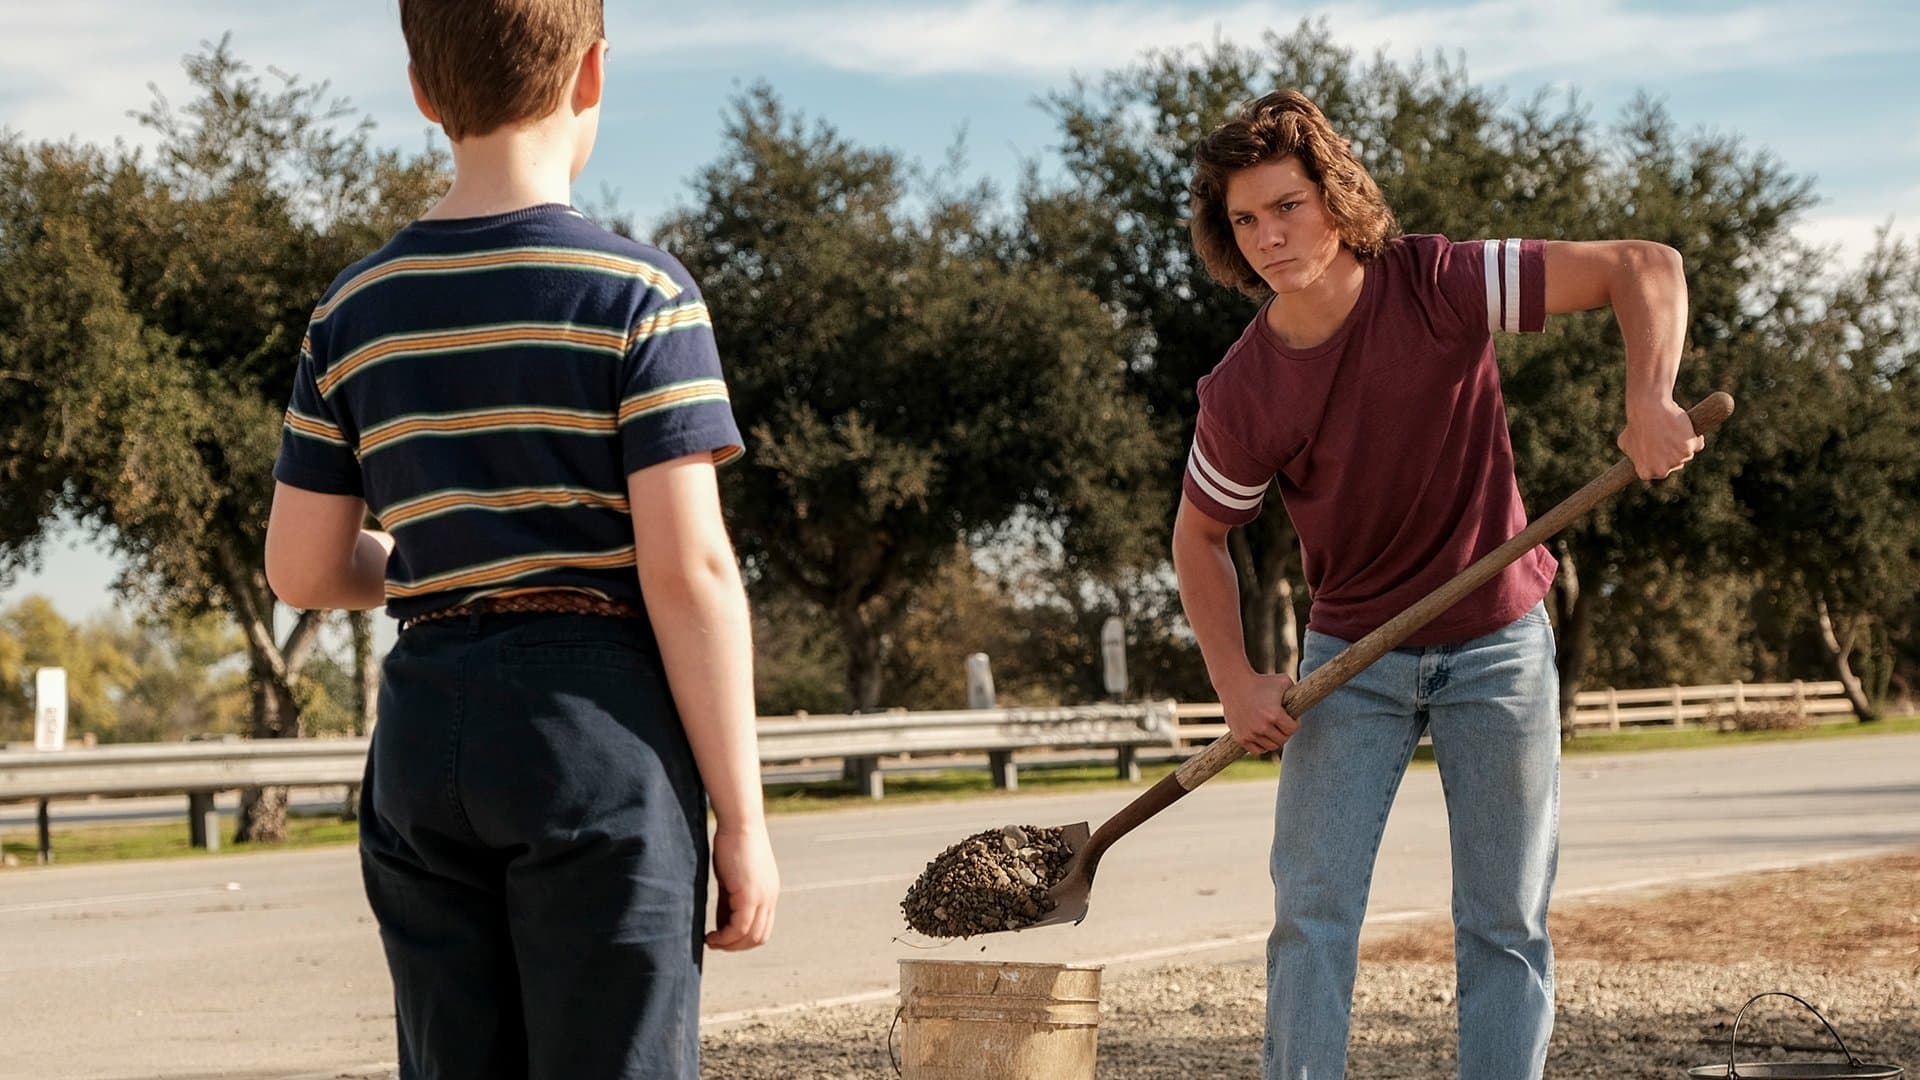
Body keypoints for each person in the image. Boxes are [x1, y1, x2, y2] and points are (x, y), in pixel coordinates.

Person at [263, 2, 777, 1076]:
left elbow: (302, 568)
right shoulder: (641, 297)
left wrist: (436, 564)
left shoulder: (353, 309)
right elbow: (690, 572)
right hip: (594, 735)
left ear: (422, 90)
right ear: (592, 73)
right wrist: (743, 818)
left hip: (422, 729)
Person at [1172, 90, 1702, 1079]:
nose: (1269, 237)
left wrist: (1649, 396)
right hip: (1349, 661)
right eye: (1245, 221)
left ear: (1333, 197)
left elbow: (1646, 268)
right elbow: (1199, 539)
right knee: (1312, 913)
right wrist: (1237, 682)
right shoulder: (1244, 390)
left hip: (1499, 639)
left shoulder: (1438, 283)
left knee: (1504, 916)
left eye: (1286, 206)